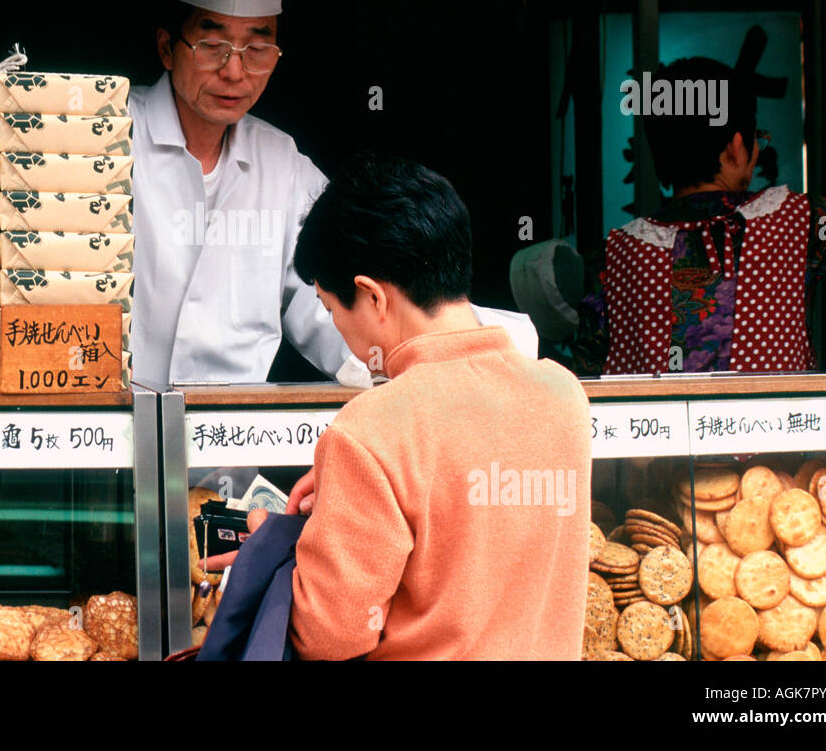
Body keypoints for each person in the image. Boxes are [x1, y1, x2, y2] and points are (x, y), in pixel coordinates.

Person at [206, 156, 592, 660]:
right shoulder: (563, 396)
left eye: (329, 309)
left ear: (370, 295)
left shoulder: (371, 427)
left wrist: (274, 547)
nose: (337, 330)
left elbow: (330, 637)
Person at [128, 0, 364, 389]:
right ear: (167, 47)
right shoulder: (111, 132)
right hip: (104, 437)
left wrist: (391, 367)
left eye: (256, 50)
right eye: (211, 43)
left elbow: (331, 303)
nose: (234, 71)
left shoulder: (283, 164)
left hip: (233, 443)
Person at [568, 54, 826, 375]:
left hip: (654, 428)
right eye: (757, 139)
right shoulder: (800, 222)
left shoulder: (611, 259)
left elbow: (586, 379)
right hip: (775, 427)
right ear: (735, 146)